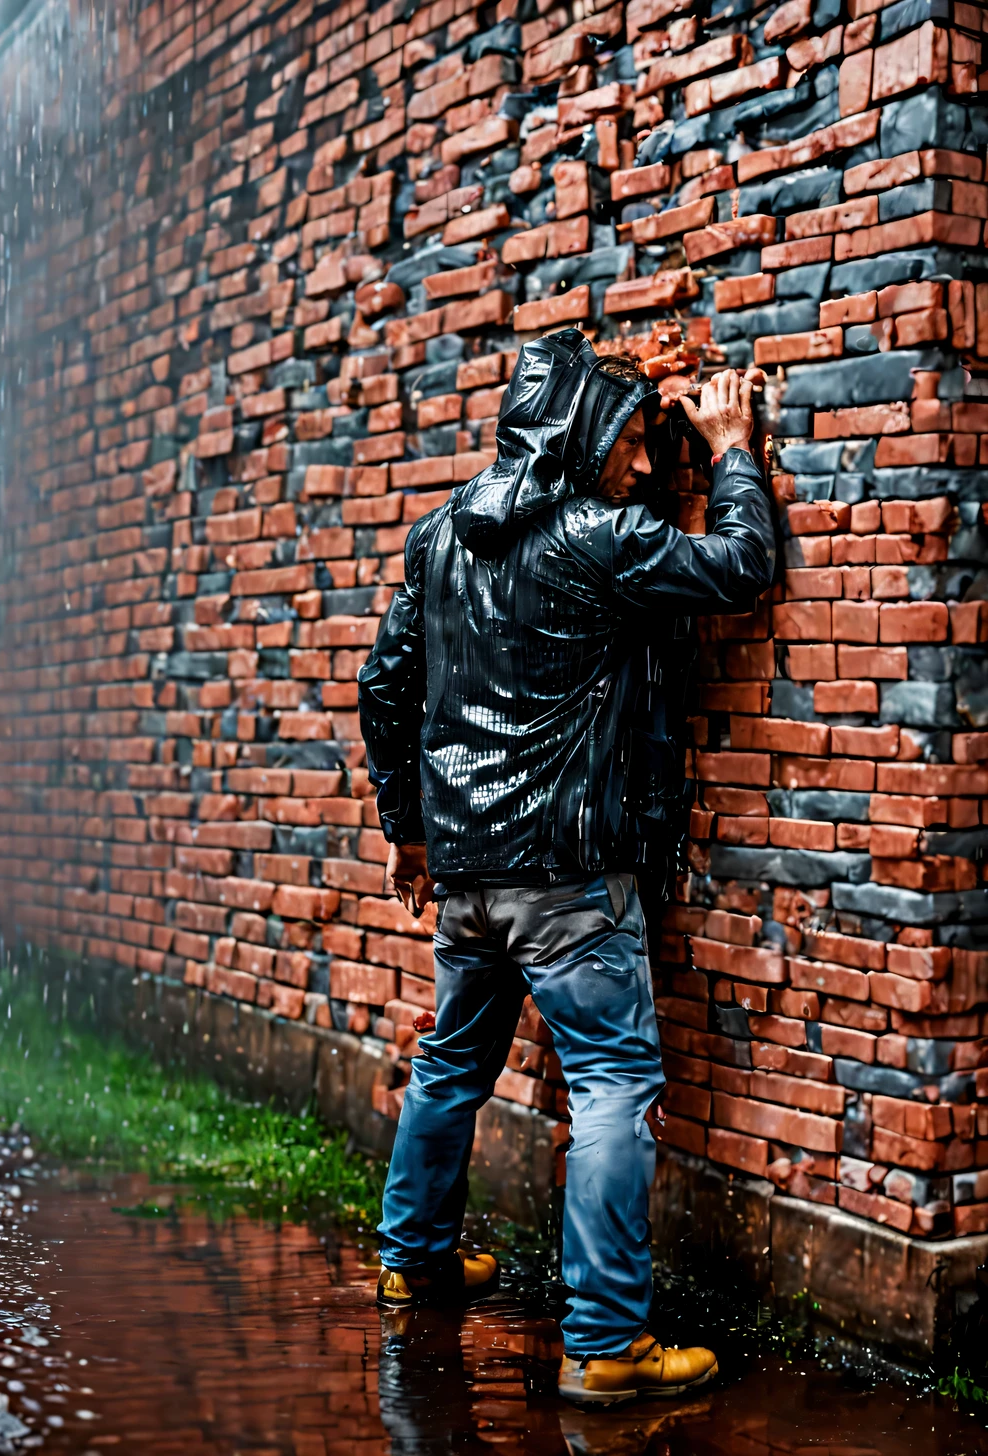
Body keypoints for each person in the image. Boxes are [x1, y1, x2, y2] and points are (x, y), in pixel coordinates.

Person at [358, 328, 775, 1407]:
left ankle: (413, 1261)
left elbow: (381, 687)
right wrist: (729, 450)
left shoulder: (440, 531)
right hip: (566, 876)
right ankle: (602, 1344)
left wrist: (408, 829)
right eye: (633, 440)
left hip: (466, 873)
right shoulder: (596, 537)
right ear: (579, 431)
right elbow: (739, 568)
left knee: (451, 1062)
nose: (645, 466)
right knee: (612, 1085)